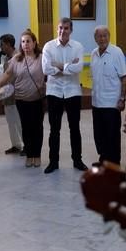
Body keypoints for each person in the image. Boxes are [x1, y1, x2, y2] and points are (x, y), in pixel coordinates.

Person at [41, 17, 88, 173]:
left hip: (73, 92)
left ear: (71, 30)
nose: (63, 31)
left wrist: (58, 66)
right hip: (54, 92)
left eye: (66, 28)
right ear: (57, 29)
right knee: (54, 130)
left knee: (75, 128)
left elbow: (79, 67)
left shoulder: (78, 47)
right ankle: (53, 162)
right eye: (60, 28)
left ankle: (77, 160)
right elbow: (46, 70)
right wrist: (68, 66)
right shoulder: (48, 46)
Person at [0, 30, 46, 168]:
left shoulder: (41, 57)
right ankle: (29, 155)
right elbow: (7, 74)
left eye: (28, 41)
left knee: (37, 128)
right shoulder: (17, 59)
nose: (25, 44)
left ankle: (37, 155)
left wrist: (65, 66)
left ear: (34, 43)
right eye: (23, 42)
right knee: (26, 128)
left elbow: (51, 70)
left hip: (37, 99)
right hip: (21, 100)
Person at [90, 25, 126, 165]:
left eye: (105, 35)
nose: (102, 38)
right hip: (96, 102)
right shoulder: (94, 53)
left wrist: (122, 99)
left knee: (112, 136)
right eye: (99, 36)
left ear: (109, 37)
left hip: (112, 103)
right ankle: (103, 160)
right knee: (99, 136)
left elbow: (124, 77)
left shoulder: (116, 52)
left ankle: (114, 164)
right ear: (95, 39)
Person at [0, 33, 24, 156]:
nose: (0, 47)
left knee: (19, 122)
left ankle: (27, 146)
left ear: (8, 44)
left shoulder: (19, 57)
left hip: (17, 95)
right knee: (11, 122)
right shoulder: (6, 58)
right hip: (7, 95)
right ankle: (16, 145)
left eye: (2, 44)